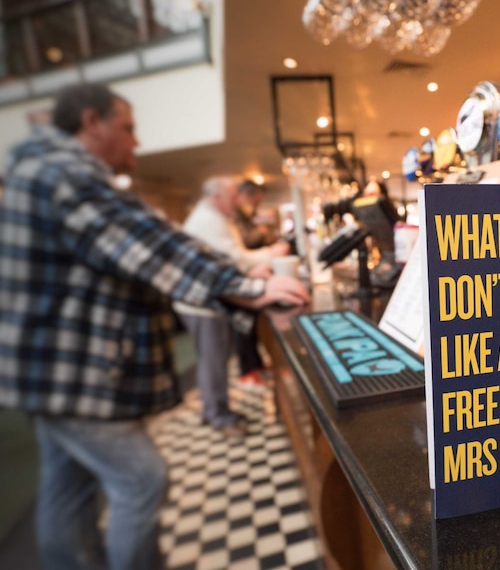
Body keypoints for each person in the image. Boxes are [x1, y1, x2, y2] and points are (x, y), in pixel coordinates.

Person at [0, 82, 309, 570]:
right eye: (127, 128)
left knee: (68, 490)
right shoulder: (62, 171)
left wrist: (241, 280)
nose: (135, 141)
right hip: (71, 370)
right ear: (91, 123)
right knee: (141, 481)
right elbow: (148, 244)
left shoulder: (43, 167)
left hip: (49, 368)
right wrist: (252, 289)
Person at [174, 175, 289, 430]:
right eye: (232, 197)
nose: (237, 202)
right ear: (216, 197)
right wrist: (269, 256)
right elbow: (231, 260)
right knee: (214, 360)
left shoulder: (215, 218)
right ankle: (218, 415)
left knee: (213, 359)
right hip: (203, 304)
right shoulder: (206, 221)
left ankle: (213, 408)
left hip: (207, 300)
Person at [232, 179, 282, 387]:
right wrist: (261, 232)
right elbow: (243, 246)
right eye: (255, 200)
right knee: (243, 326)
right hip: (241, 277)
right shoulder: (235, 216)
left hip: (251, 274)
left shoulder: (245, 216)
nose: (256, 205)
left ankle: (256, 365)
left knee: (252, 325)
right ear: (245, 195)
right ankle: (248, 370)